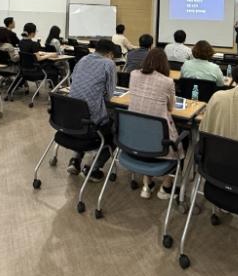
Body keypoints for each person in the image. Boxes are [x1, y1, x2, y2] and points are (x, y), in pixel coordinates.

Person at [128, 48, 183, 199]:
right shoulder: (167, 81)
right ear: (165, 64)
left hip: (134, 136)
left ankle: (147, 185)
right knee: (178, 143)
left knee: (147, 138)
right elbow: (170, 107)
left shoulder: (133, 74)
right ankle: (166, 187)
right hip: (158, 139)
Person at [67, 38, 117, 182]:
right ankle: (93, 168)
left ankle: (75, 160)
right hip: (91, 123)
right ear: (110, 54)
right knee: (115, 131)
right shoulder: (109, 64)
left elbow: (73, 81)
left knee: (84, 122)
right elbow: (109, 95)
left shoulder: (82, 59)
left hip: (71, 118)